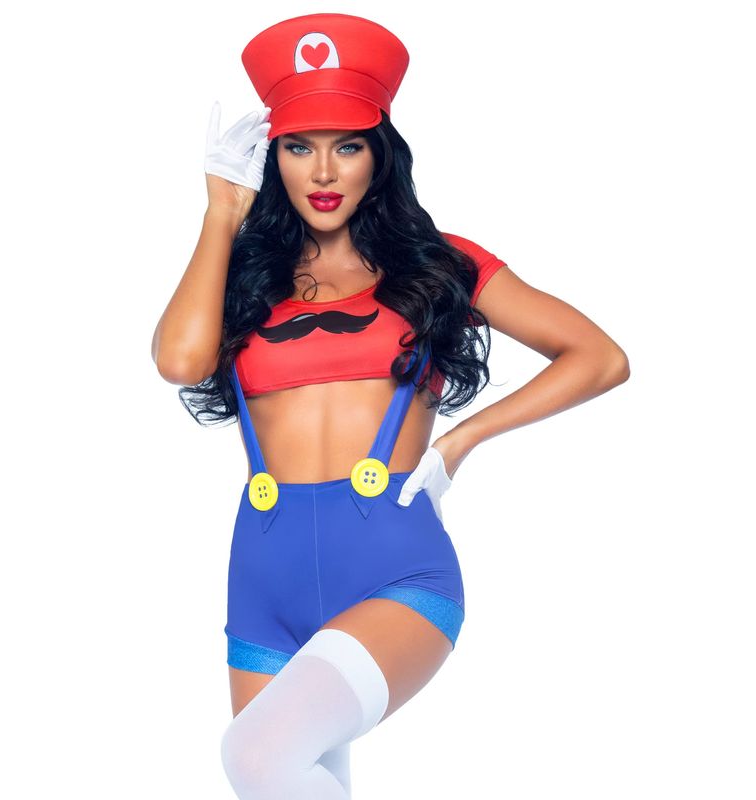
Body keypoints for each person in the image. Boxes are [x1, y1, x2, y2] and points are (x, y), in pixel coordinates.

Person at [151, 12, 630, 799]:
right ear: (273, 157)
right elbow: (180, 360)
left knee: (257, 757)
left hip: (395, 567)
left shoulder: (439, 265)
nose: (322, 170)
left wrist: (457, 444)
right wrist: (220, 213)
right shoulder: (242, 275)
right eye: (298, 147)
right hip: (261, 577)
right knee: (282, 779)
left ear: (380, 154)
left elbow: (599, 358)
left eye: (347, 145)